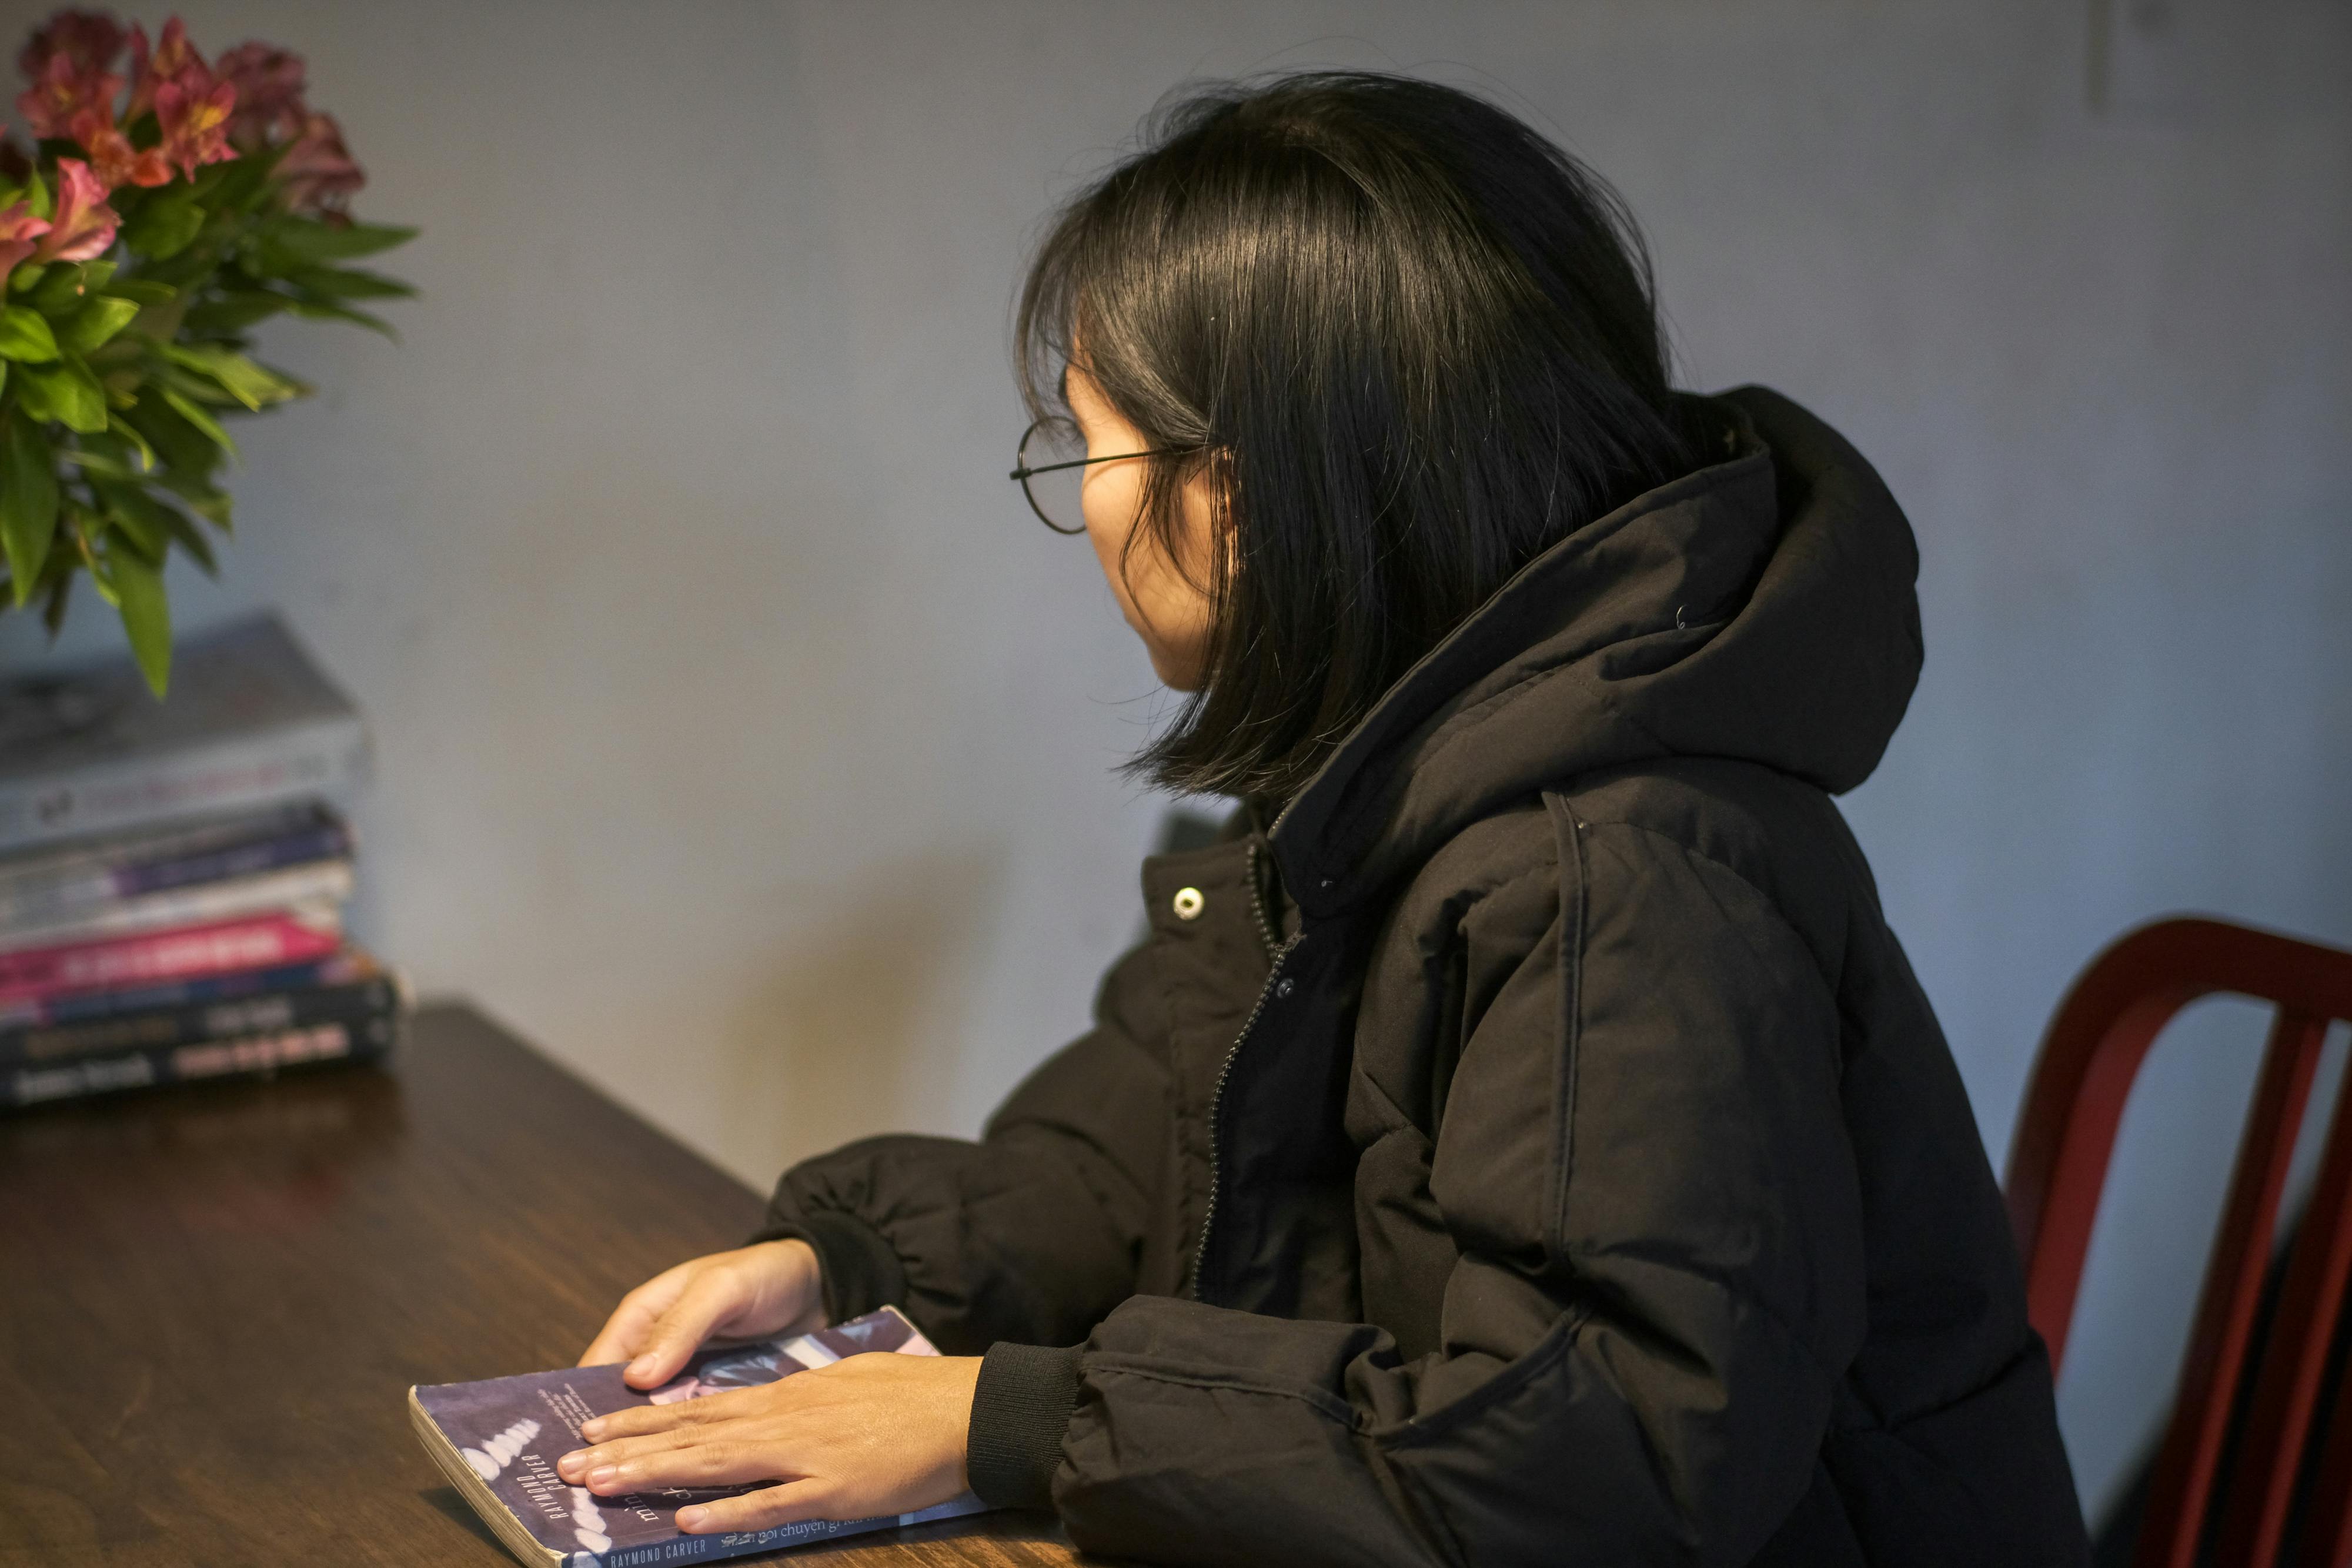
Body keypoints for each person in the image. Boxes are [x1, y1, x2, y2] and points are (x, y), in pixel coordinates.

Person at [555, 72, 2090, 1566]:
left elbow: (1602, 1451)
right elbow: (1150, 1136)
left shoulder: (1616, 876)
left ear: (1240, 495)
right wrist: (853, 1266)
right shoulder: (1389, 770)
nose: (1084, 500)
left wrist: (1003, 1418)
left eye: (1088, 439)